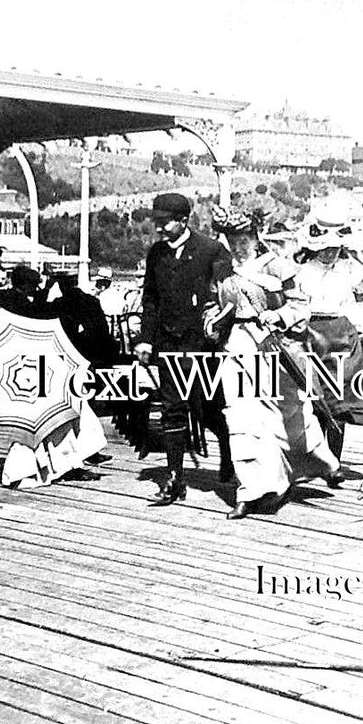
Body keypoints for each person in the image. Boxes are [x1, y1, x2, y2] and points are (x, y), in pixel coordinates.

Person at [212, 211, 343, 519]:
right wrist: (212, 321)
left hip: (276, 346)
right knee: (241, 418)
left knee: (286, 418)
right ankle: (252, 490)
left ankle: (319, 462)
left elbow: (300, 305)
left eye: (242, 239)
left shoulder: (277, 266)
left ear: (255, 236)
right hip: (238, 344)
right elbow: (212, 303)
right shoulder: (222, 268)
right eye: (231, 240)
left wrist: (279, 316)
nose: (237, 246)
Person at [134, 192, 234, 505]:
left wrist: (217, 328)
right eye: (157, 223)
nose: (159, 229)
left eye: (165, 223)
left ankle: (228, 453)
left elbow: (227, 298)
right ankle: (175, 477)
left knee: (208, 407)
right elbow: (150, 299)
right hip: (167, 343)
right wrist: (145, 339)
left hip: (202, 345)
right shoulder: (156, 254)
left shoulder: (211, 250)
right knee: (172, 409)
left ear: (183, 220)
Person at [293, 203, 363, 458]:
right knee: (312, 399)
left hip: (340, 335)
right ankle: (317, 457)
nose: (329, 253)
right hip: (308, 333)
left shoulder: (349, 268)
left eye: (334, 248)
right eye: (324, 248)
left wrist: (358, 255)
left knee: (338, 402)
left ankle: (334, 461)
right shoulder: (301, 269)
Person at [52, 273, 116, 366]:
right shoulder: (92, 300)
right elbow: (103, 329)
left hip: (77, 349)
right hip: (99, 347)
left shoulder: (61, 303)